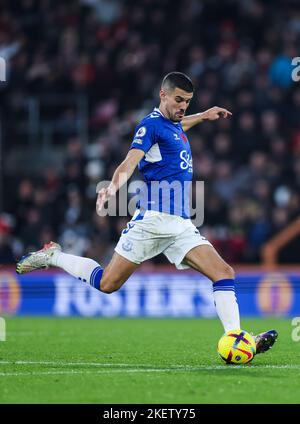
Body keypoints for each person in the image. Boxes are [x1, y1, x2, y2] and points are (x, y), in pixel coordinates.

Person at [16, 72, 277, 353]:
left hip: (180, 225)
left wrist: (202, 115)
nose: (183, 107)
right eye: (179, 100)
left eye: (187, 102)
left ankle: (237, 338)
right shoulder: (149, 126)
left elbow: (179, 126)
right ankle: (53, 255)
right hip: (151, 221)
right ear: (163, 95)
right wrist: (111, 188)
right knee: (107, 283)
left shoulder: (173, 125)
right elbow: (129, 163)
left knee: (224, 272)